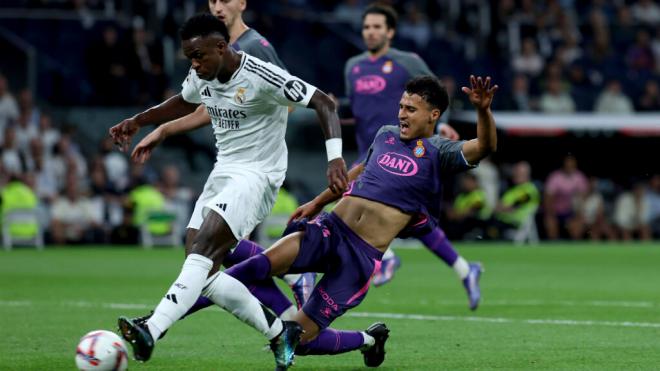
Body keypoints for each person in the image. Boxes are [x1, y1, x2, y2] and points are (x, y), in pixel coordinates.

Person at [111, 14, 348, 368]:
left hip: (258, 175)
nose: (194, 64)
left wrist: (335, 159)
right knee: (202, 271)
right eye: (189, 57)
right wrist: (141, 121)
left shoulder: (262, 75)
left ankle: (152, 328)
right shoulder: (202, 72)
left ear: (222, 47)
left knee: (204, 249)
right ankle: (280, 333)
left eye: (199, 56)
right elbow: (185, 99)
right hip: (223, 172)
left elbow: (323, 103)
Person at [223, 75, 498, 368]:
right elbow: (359, 170)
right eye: (401, 106)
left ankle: (368, 340)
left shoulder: (439, 150)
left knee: (299, 343)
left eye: (411, 109)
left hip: (359, 258)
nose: (402, 113)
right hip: (331, 229)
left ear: (433, 115)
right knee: (239, 262)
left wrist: (483, 110)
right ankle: (179, 307)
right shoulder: (386, 134)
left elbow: (483, 147)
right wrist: (317, 202)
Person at [343, 3, 482, 309]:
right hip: (371, 151)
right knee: (415, 222)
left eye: (378, 27)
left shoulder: (407, 61)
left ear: (390, 32)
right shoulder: (352, 67)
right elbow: (357, 110)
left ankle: (385, 259)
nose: (371, 32)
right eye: (367, 27)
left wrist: (442, 125)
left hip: (404, 153)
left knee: (350, 205)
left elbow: (433, 96)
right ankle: (463, 269)